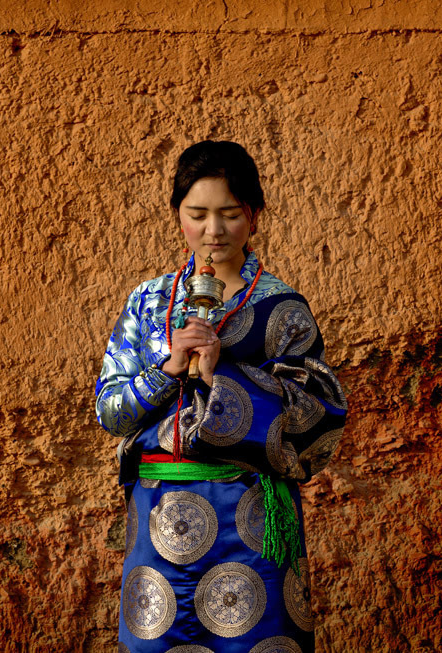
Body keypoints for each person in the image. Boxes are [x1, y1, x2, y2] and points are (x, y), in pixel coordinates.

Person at [95, 140, 348, 653]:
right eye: (198, 214)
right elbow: (109, 409)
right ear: (178, 218)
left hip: (251, 519)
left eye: (230, 214)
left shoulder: (283, 309)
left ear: (253, 217)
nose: (214, 231)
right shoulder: (147, 302)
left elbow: (319, 421)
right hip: (159, 518)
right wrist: (168, 370)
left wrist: (220, 381)